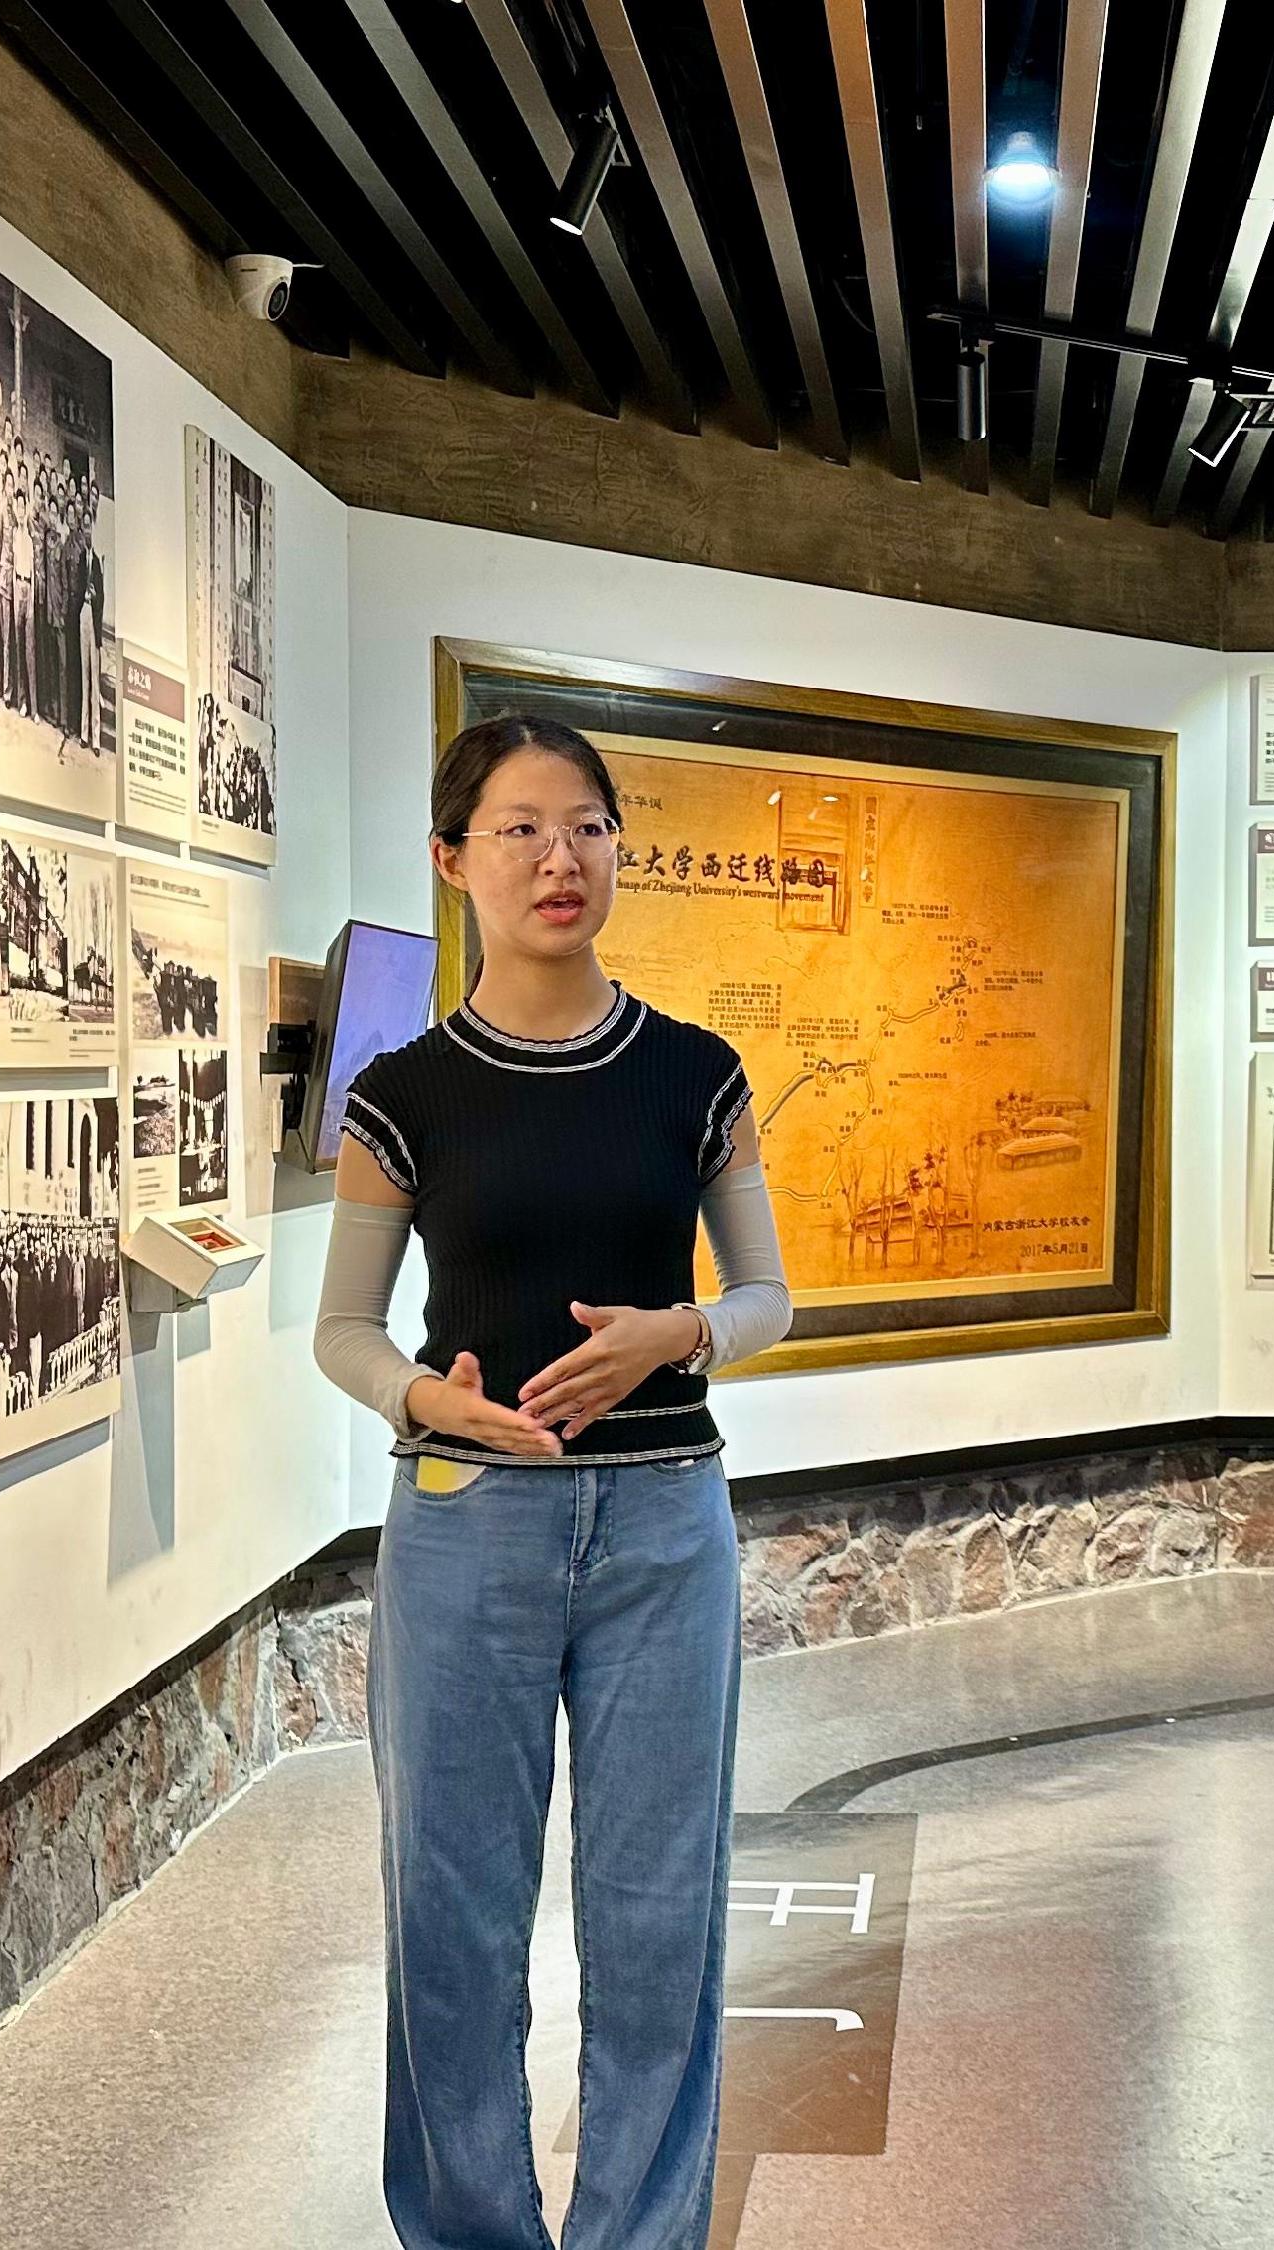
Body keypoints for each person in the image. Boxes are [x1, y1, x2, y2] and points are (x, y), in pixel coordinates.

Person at [312, 714, 795, 2250]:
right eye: (518, 829)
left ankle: (637, 2235)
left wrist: (685, 1330)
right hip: (465, 1524)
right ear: (452, 860)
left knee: (660, 1918)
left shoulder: (694, 1072)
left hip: (665, 1527)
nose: (557, 859)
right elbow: (342, 1329)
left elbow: (770, 1296)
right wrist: (425, 1394)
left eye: (585, 825)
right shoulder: (405, 1091)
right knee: (450, 1922)